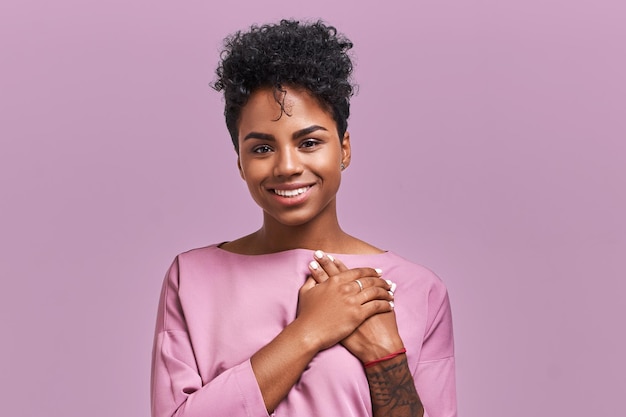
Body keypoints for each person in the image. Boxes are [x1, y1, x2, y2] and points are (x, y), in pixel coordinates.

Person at [151, 19, 456, 417]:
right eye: (262, 149)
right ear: (240, 163)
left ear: (344, 148)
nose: (287, 166)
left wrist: (387, 358)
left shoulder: (419, 289)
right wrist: (310, 331)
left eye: (309, 142)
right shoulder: (190, 279)